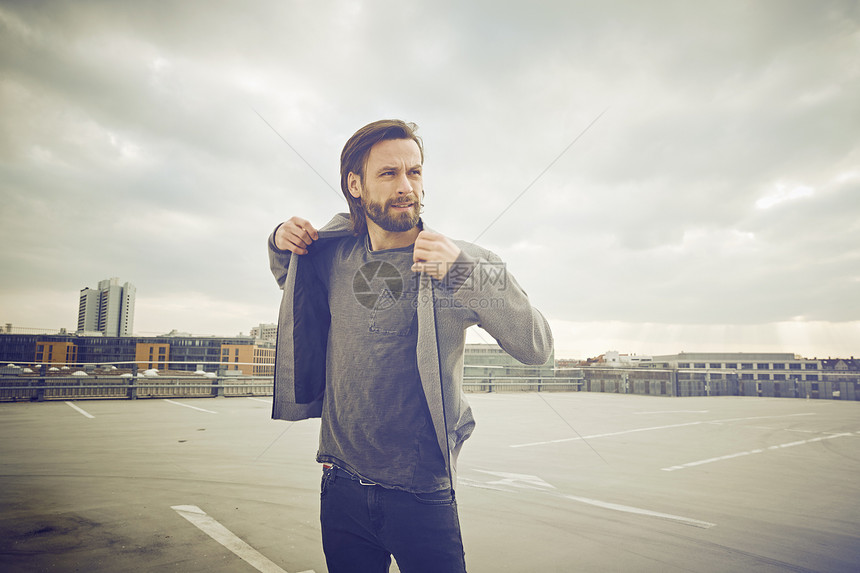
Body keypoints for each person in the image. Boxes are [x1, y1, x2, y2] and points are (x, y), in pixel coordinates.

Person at [267, 119, 553, 573]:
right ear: (354, 185)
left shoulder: (462, 260)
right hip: (340, 486)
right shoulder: (336, 256)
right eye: (389, 174)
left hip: (423, 494)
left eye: (414, 172)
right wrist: (280, 238)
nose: (406, 187)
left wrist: (464, 271)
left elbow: (537, 345)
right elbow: (291, 277)